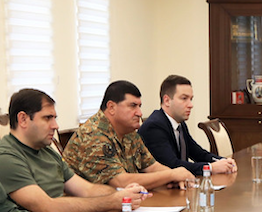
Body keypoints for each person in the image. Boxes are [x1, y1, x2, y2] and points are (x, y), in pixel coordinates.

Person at [0, 89, 150, 212]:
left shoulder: (47, 151)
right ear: (23, 119)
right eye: (47, 118)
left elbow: (87, 190)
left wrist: (123, 194)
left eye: (55, 118)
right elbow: (47, 209)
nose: (55, 126)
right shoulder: (6, 158)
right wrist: (113, 201)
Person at [62, 80, 194, 189]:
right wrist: (171, 175)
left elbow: (152, 166)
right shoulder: (93, 135)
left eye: (139, 106)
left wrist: (177, 176)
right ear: (111, 107)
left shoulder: (129, 131)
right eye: (133, 106)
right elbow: (120, 182)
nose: (139, 113)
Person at [139, 75, 236, 175]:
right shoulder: (154, 126)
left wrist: (223, 161)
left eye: (191, 99)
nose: (190, 105)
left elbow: (198, 153)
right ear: (167, 100)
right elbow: (172, 165)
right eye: (184, 98)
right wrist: (210, 167)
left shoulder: (180, 123)